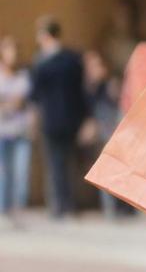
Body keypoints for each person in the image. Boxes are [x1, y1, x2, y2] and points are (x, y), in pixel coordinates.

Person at [29, 17, 86, 219]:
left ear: (45, 35)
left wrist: (33, 123)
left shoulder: (41, 63)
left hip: (51, 120)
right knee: (69, 163)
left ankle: (59, 206)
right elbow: (82, 91)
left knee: (54, 165)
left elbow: (35, 96)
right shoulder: (73, 59)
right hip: (72, 119)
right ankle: (69, 204)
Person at [80, 50, 127, 219]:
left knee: (111, 171)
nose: (94, 69)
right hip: (98, 134)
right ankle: (110, 207)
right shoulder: (87, 87)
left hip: (111, 134)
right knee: (102, 172)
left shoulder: (109, 84)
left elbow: (118, 105)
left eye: (97, 65)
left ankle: (115, 208)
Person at [0, 36, 33, 225]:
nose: (12, 55)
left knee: (21, 172)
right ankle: (4, 211)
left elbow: (25, 101)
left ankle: (18, 209)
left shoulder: (24, 76)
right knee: (3, 174)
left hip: (21, 131)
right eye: (9, 51)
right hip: (2, 131)